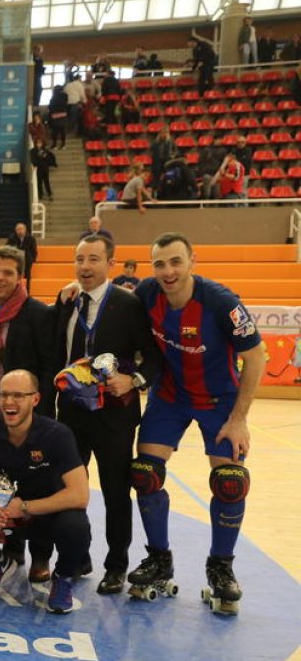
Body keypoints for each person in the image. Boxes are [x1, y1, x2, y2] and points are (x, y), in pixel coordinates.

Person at [127, 233, 265, 613]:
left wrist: (239, 420)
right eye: (159, 264)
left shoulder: (221, 303)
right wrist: (78, 285)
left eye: (175, 262)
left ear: (192, 262)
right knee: (144, 473)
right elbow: (112, 301)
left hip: (220, 400)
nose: (167, 272)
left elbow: (257, 358)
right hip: (170, 397)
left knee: (231, 482)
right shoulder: (146, 295)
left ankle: (221, 566)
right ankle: (159, 559)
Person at [55, 234, 161, 594]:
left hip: (114, 415)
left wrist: (133, 380)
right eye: (80, 259)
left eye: (93, 259)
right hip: (71, 413)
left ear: (110, 264)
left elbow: (154, 356)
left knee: (116, 492)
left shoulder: (128, 304)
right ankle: (76, 556)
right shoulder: (67, 301)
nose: (85, 266)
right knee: (70, 489)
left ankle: (116, 565)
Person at [0, 369, 91, 615]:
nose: (8, 402)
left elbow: (79, 495)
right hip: (3, 515)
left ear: (35, 399)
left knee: (76, 526)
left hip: (43, 516)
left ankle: (63, 578)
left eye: (18, 395)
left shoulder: (57, 434)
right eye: (3, 395)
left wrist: (25, 507)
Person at [0, 246, 56, 419]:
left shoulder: (39, 314)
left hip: (24, 415)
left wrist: (39, 415)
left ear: (20, 277)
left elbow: (49, 370)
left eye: (8, 273)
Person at [6, 222, 38, 288]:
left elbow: (34, 250)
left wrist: (33, 259)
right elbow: (7, 248)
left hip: (27, 259)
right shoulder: (11, 238)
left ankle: (27, 290)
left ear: (25, 230)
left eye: (21, 229)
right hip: (15, 259)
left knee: (28, 273)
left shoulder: (31, 238)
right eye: (18, 229)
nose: (20, 231)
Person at [47, 85, 68, 149]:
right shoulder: (65, 96)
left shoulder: (54, 97)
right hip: (63, 115)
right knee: (62, 131)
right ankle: (63, 144)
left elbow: (50, 107)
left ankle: (54, 145)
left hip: (55, 116)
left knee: (55, 132)